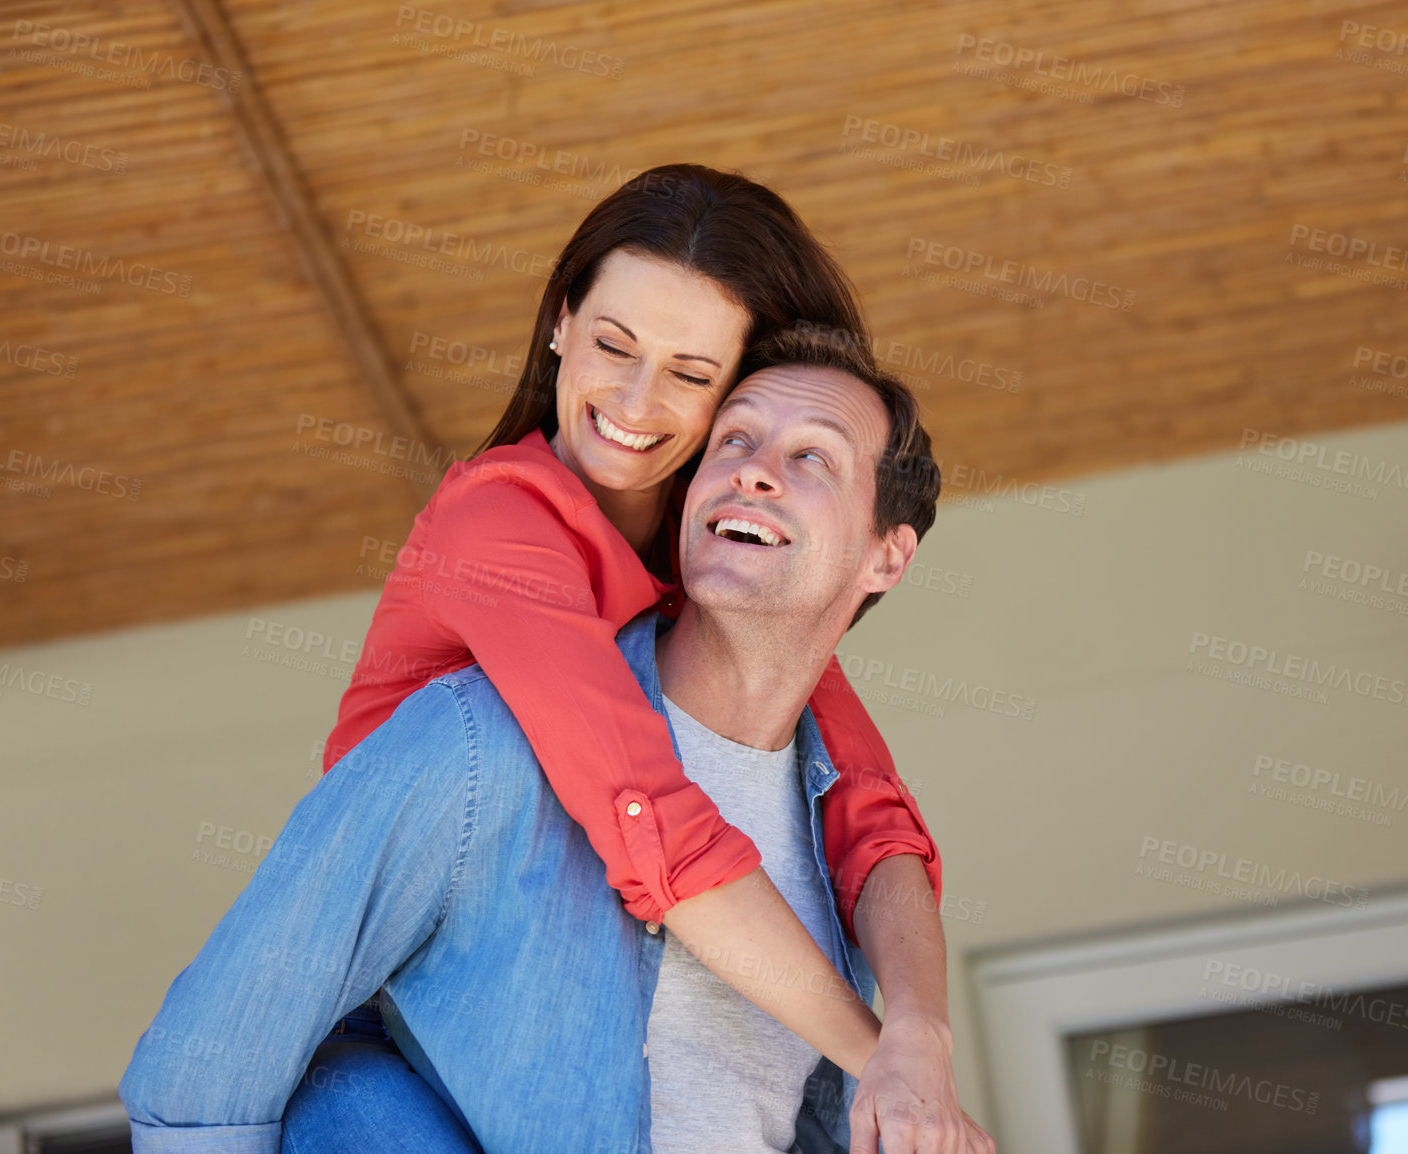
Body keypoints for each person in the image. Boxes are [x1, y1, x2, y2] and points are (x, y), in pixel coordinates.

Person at [120, 330, 993, 1154]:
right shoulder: (478, 743)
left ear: (886, 557)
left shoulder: (844, 836)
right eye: (731, 442)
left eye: (812, 457)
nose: (754, 473)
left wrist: (916, 1041)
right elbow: (201, 1073)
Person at [317, 166, 942, 1070]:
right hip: (404, 1024)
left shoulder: (715, 550)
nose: (637, 404)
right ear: (562, 323)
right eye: (614, 344)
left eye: (691, 373)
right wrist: (880, 1060)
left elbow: (868, 809)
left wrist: (926, 1032)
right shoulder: (496, 526)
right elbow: (650, 828)